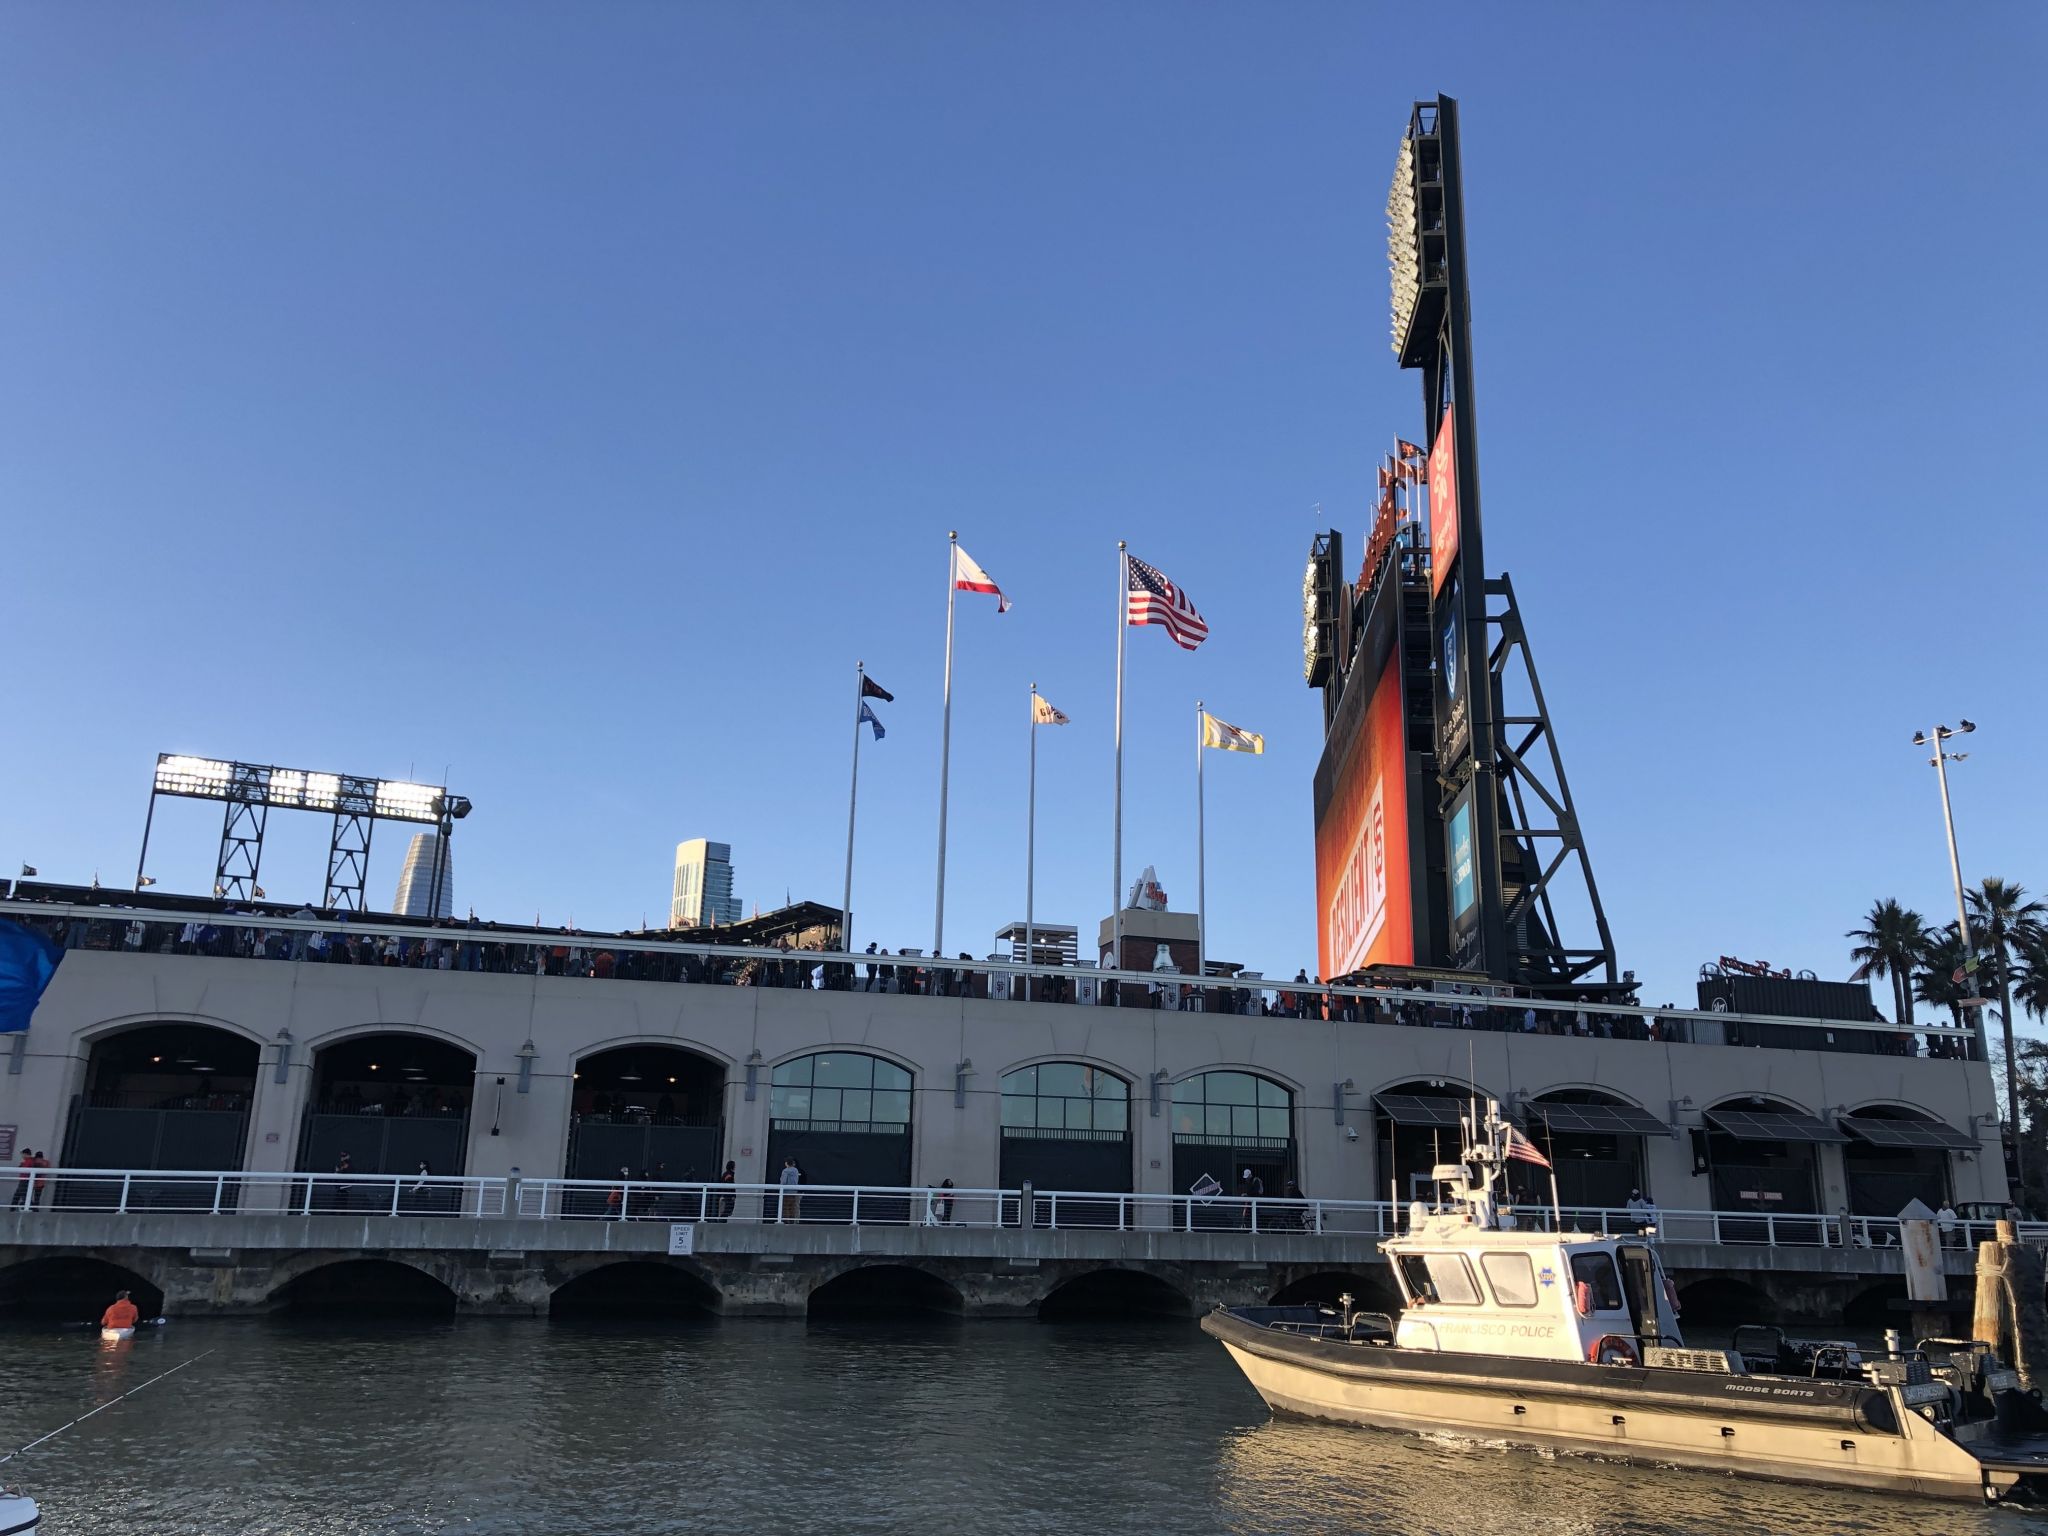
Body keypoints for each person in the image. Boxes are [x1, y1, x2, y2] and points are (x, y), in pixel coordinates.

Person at [778, 1156, 802, 1224]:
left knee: (786, 1207)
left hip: (786, 1192)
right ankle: (792, 1221)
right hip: (794, 1192)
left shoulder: (785, 1171)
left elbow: (783, 1181)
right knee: (792, 1207)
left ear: (786, 1163)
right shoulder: (796, 1170)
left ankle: (786, 1221)